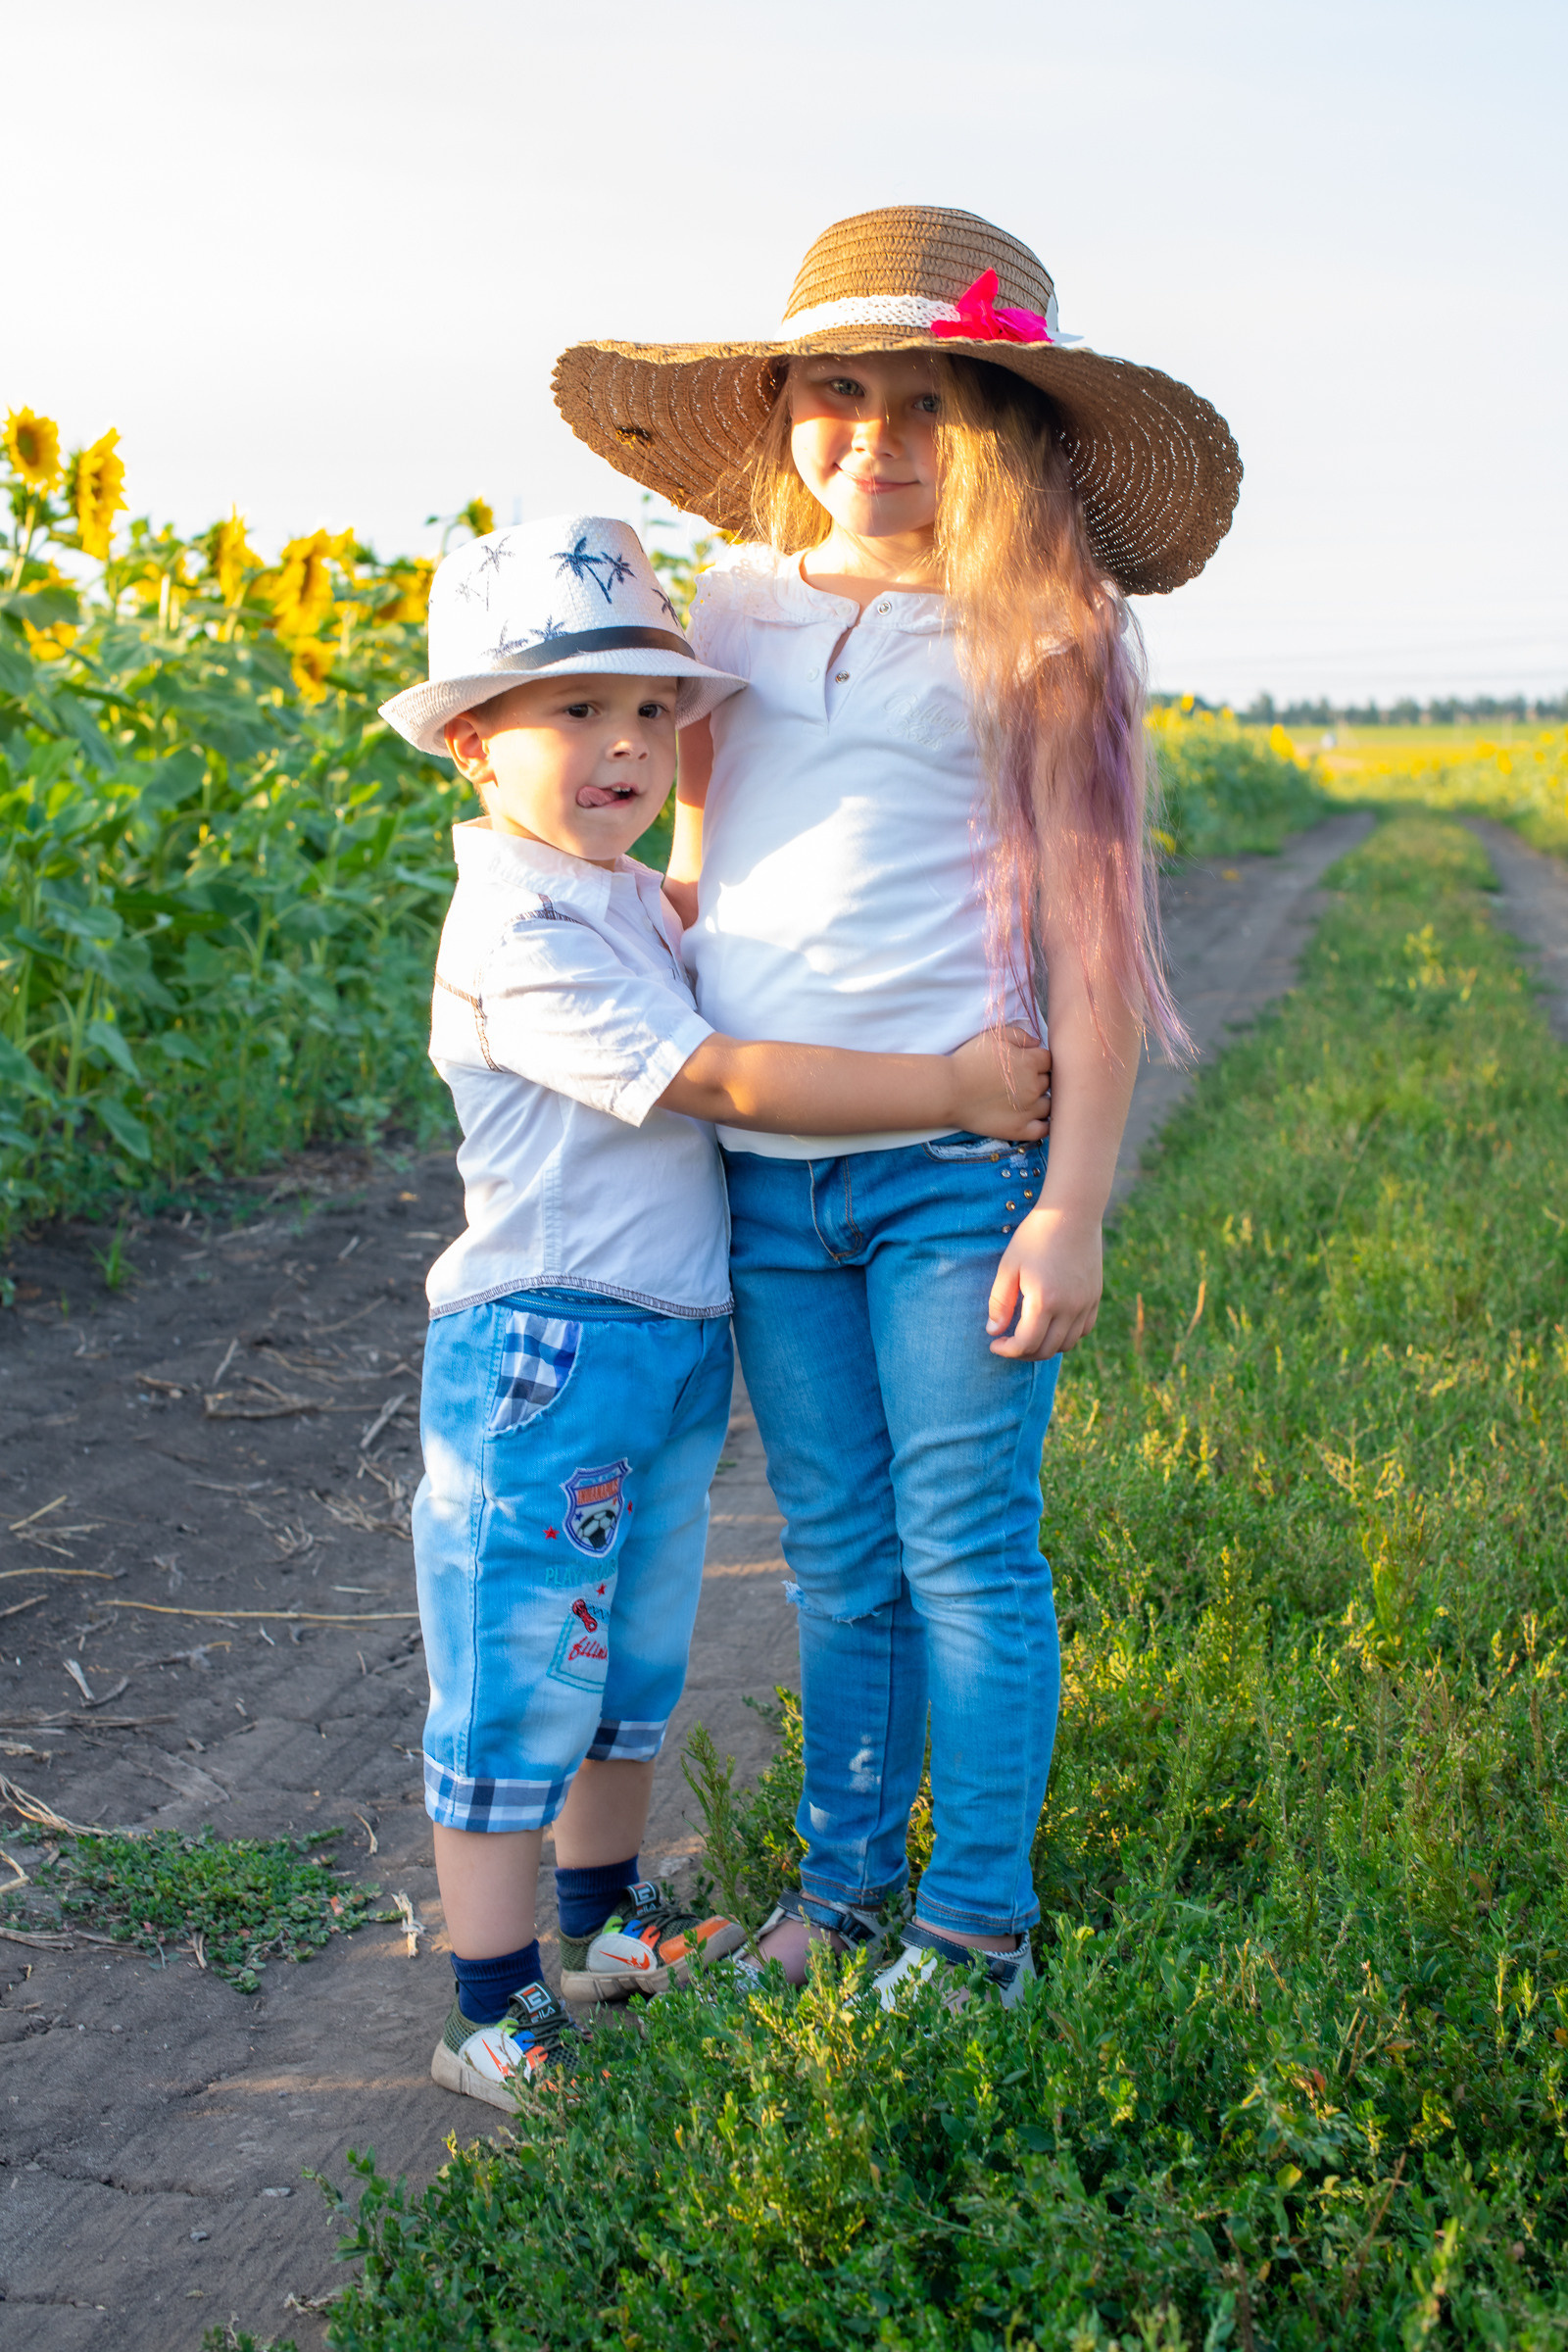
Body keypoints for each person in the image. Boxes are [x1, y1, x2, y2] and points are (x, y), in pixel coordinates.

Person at [552, 207, 1240, 2007]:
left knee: (967, 1554)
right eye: (839, 393)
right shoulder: (729, 615)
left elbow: (1093, 952)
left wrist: (1071, 1203)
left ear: (1001, 427)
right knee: (845, 1566)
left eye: (928, 402)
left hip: (954, 1179)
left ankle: (977, 1923)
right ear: (784, 407)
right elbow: (711, 870)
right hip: (773, 1185)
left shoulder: (1040, 629)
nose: (876, 439)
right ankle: (844, 1899)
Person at [378, 514, 1054, 2104]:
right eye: (572, 712)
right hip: (545, 1348)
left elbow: (743, 946)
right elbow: (721, 1074)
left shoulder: (616, 895)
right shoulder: (523, 928)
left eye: (647, 711)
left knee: (626, 1666)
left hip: (662, 1342)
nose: (624, 744)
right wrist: (949, 1080)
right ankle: (488, 2001)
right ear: (473, 745)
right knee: (516, 1668)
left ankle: (605, 1925)